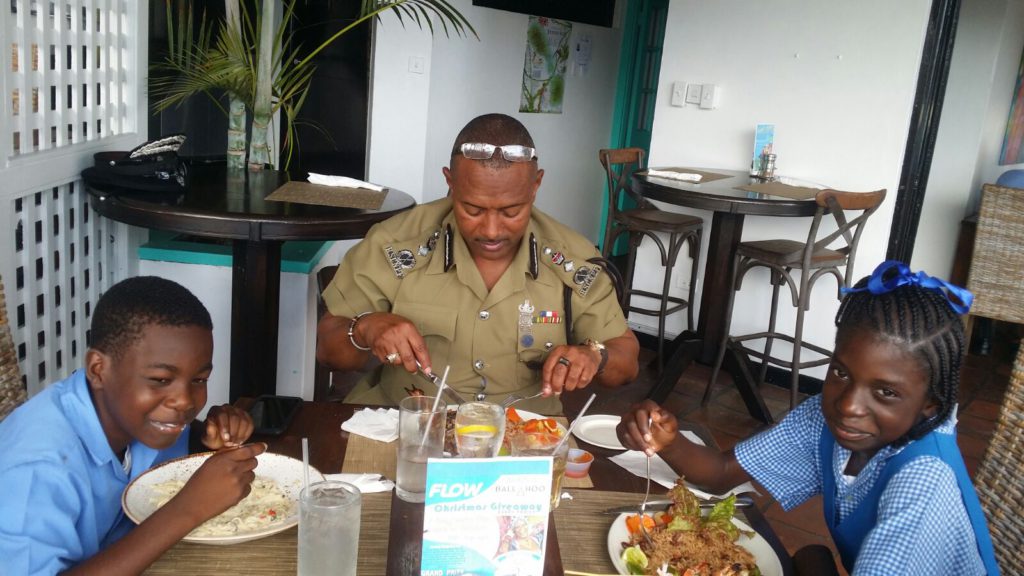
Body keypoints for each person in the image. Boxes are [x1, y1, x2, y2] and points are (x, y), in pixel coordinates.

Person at [617, 260, 1000, 576]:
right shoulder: (827, 419)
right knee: (811, 557)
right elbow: (720, 473)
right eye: (841, 372)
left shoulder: (923, 481)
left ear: (930, 404)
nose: (849, 404)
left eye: (886, 392)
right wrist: (668, 440)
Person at [317, 113, 639, 414]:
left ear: (536, 186)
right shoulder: (396, 244)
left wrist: (595, 356)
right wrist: (365, 328)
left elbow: (626, 360)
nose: (491, 230)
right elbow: (327, 349)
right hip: (405, 428)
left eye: (511, 211)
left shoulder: (572, 259)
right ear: (450, 183)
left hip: (525, 440)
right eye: (472, 209)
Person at [0, 276, 265, 575]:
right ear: (99, 369)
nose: (184, 401)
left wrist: (206, 437)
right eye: (161, 380)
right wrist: (187, 509)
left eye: (199, 380)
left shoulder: (140, 419)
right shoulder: (36, 469)